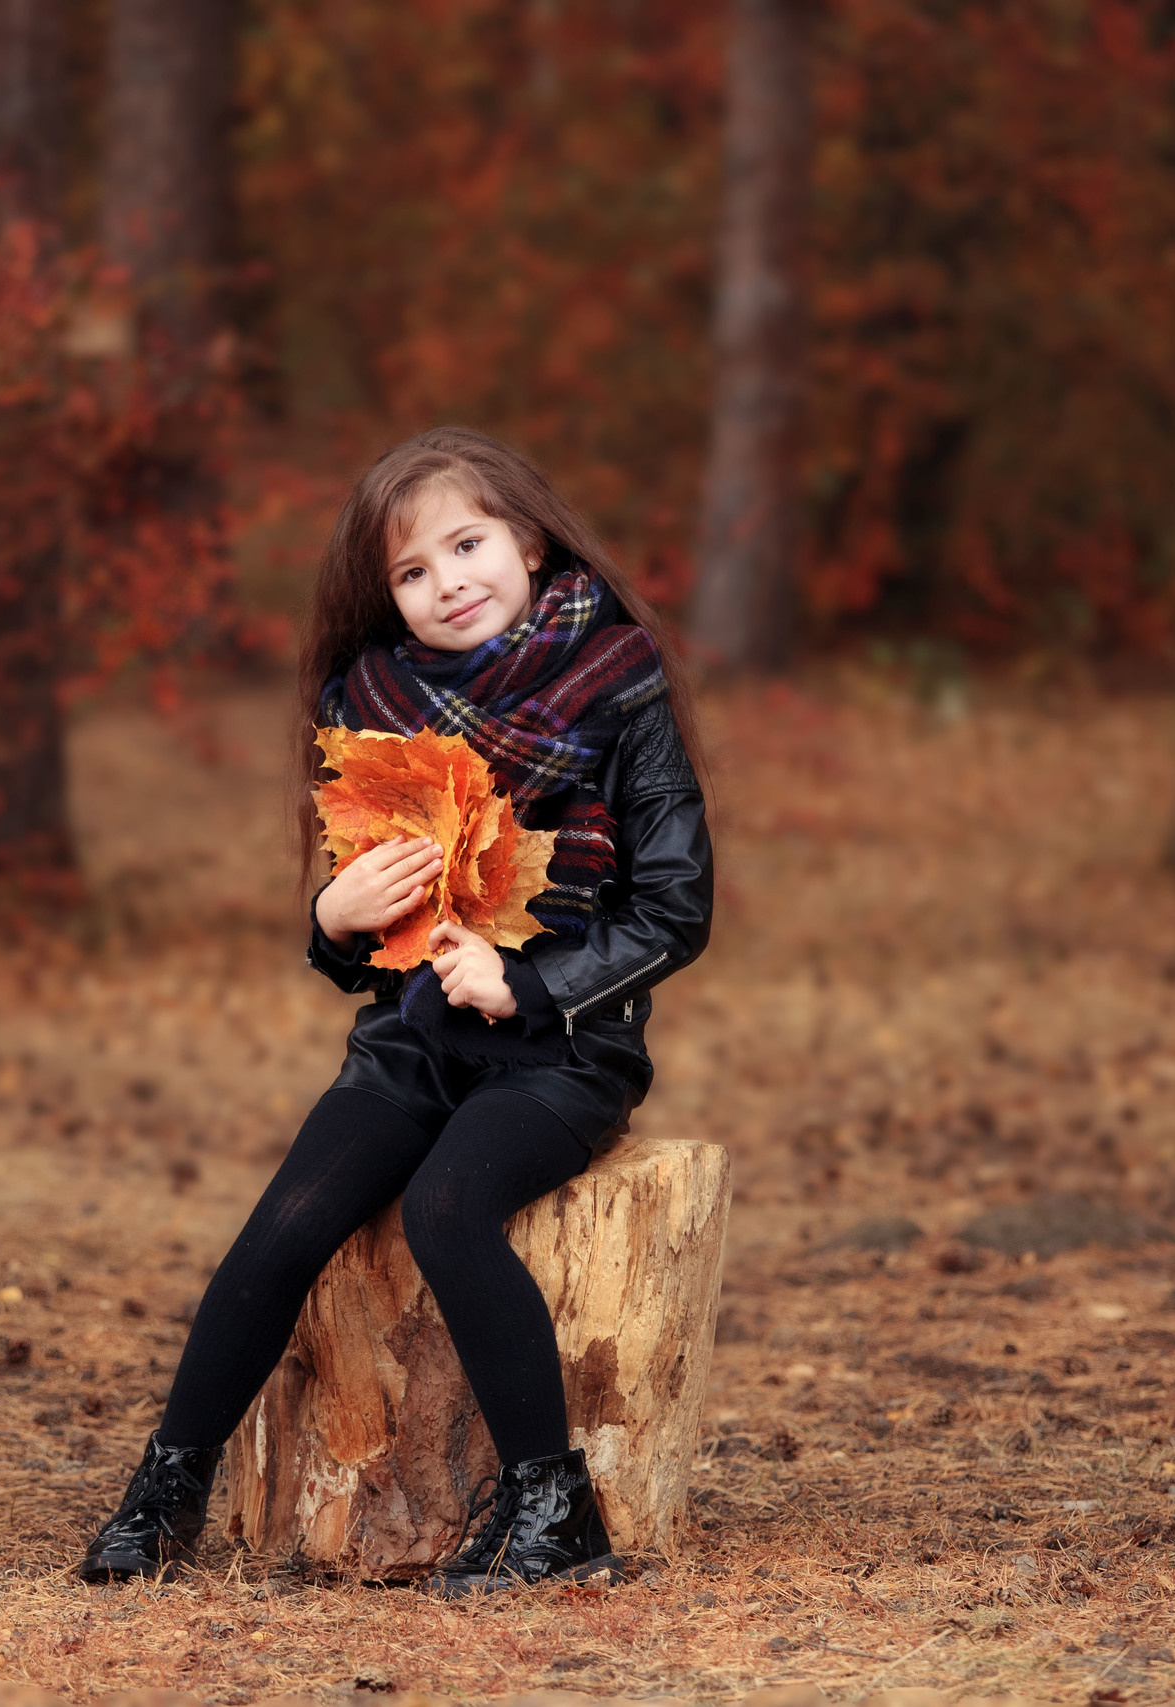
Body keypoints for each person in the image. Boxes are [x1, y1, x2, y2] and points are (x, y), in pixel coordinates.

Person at [77, 426, 714, 1596]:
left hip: (557, 1058)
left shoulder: (617, 687)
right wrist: (333, 914)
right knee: (281, 1228)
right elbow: (373, 950)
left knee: (448, 1208)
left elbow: (675, 911)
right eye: (410, 574)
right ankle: (165, 1491)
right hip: (411, 1046)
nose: (445, 584)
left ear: (526, 541)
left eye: (466, 546)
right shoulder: (372, 705)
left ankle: (553, 1511)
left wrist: (530, 983)